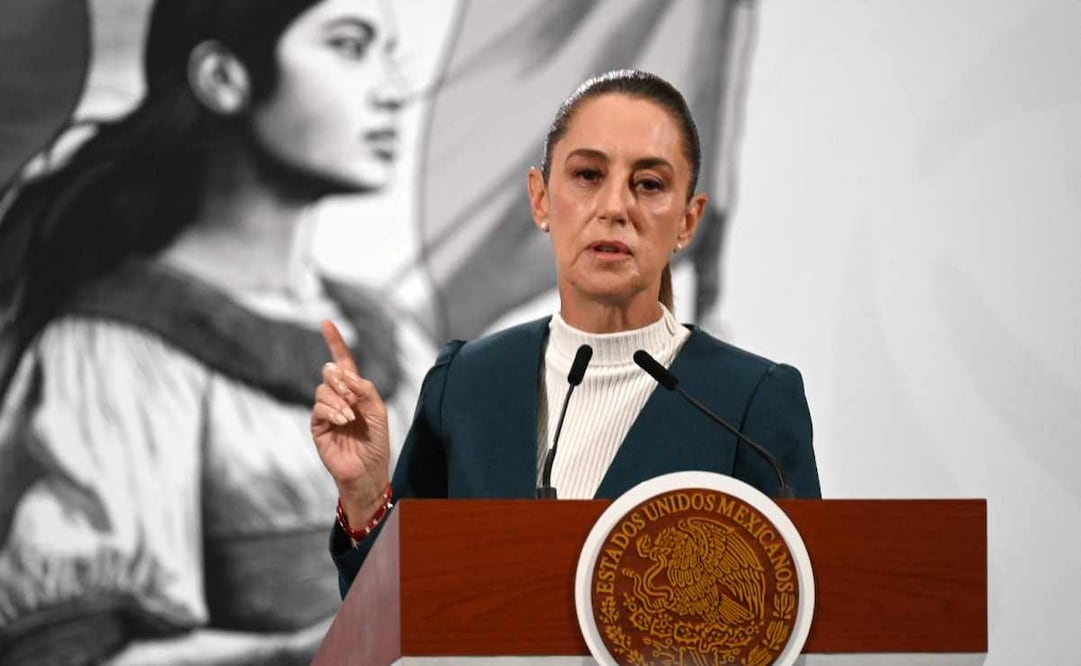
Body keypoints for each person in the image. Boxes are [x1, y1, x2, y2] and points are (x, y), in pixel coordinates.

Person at [0, 0, 427, 663]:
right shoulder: (118, 349)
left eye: (388, 54)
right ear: (224, 78)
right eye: (348, 46)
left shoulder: (392, 334)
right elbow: (72, 649)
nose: (395, 90)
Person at [311, 69, 822, 595]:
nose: (615, 207)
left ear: (688, 222)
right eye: (588, 175)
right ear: (540, 199)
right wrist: (366, 495)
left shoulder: (748, 404)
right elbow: (396, 607)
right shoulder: (466, 384)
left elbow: (797, 608)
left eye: (649, 184)